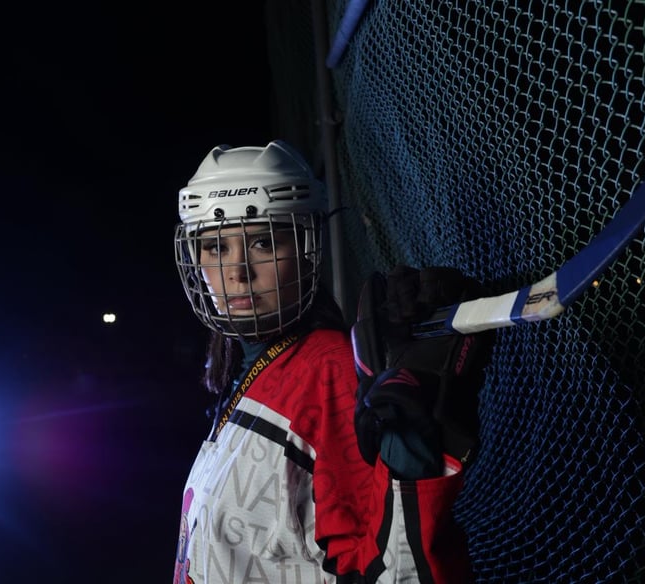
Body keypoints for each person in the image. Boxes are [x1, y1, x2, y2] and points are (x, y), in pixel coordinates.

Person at [171, 140, 492, 583]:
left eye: (263, 242)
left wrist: (411, 466)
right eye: (215, 247)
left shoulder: (328, 370)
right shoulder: (240, 377)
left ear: (306, 248)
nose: (237, 271)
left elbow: (382, 568)